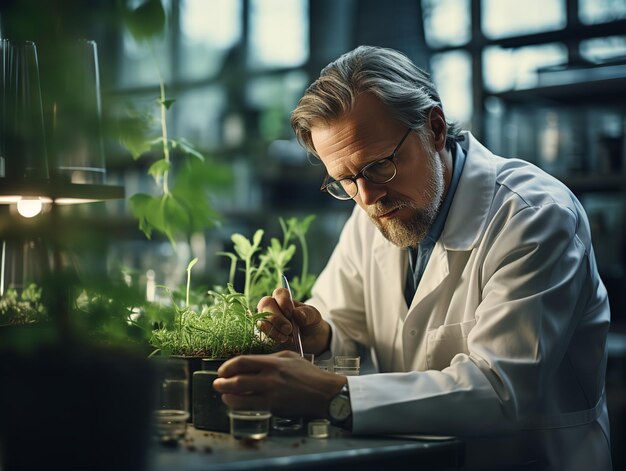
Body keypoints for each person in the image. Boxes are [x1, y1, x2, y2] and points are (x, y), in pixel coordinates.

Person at [213, 45, 612, 470]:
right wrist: (320, 335)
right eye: (344, 180)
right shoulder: (372, 210)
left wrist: (331, 395)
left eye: (380, 166)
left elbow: (499, 390)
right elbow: (345, 325)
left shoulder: (534, 215)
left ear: (435, 129)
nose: (366, 197)